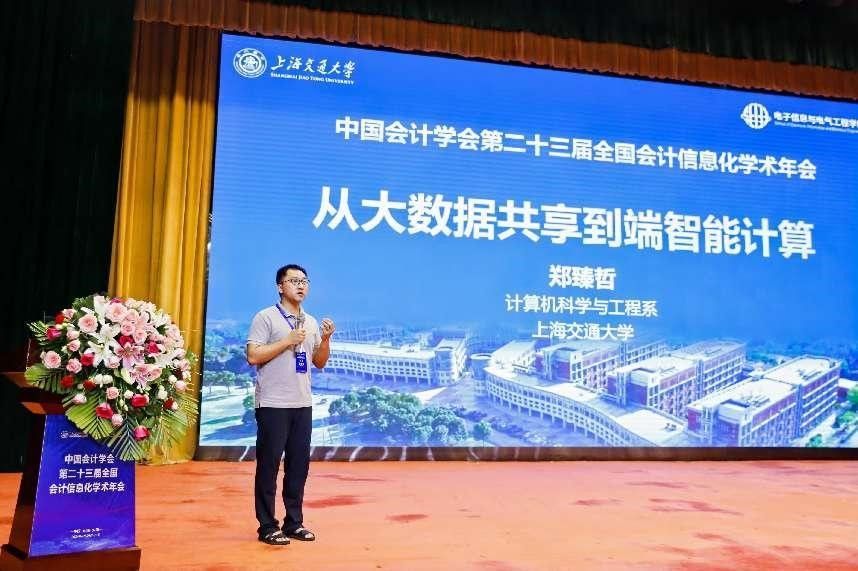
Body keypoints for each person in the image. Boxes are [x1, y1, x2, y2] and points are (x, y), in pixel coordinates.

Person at [246, 264, 336, 546]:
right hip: (273, 403)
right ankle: (267, 525)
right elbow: (253, 355)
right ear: (280, 286)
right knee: (269, 465)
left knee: (298, 466)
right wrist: (287, 341)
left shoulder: (311, 322)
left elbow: (319, 362)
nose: (300, 285)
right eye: (294, 280)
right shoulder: (266, 317)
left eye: (304, 281)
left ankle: (294, 522)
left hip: (302, 402)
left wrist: (326, 340)